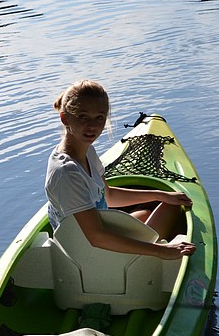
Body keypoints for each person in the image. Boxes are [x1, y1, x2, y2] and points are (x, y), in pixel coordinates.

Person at [45, 79, 195, 259]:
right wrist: (162, 250)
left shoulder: (87, 152)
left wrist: (159, 194)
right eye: (83, 116)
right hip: (91, 256)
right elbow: (95, 237)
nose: (92, 126)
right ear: (65, 118)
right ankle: (161, 262)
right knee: (172, 210)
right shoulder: (67, 173)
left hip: (89, 240)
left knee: (147, 212)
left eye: (99, 118)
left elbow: (108, 196)